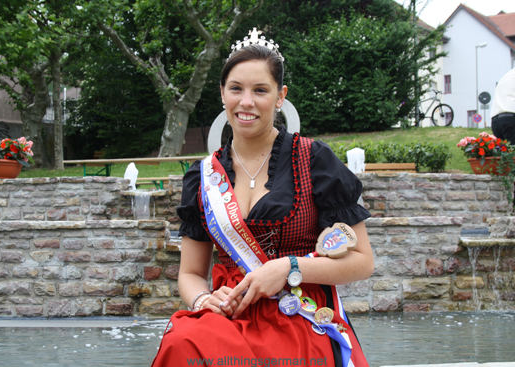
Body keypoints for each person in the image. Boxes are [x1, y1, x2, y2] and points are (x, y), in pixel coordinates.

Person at [151, 28, 374, 367]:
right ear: (222, 93)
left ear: (280, 96)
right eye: (236, 89)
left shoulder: (314, 160)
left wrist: (288, 268)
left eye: (260, 90)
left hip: (299, 310)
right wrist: (204, 300)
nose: (246, 102)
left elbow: (362, 262)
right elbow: (191, 273)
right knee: (182, 341)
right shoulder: (203, 176)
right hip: (229, 314)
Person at [491, 53, 515, 178]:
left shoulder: (507, 76)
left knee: (505, 159)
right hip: (513, 120)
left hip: (497, 121)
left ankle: (504, 192)